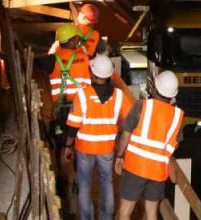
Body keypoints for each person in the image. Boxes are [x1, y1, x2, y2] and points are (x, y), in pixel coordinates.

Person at [64, 55, 133, 220]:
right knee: (106, 183)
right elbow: (131, 119)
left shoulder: (83, 94)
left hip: (84, 149)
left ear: (93, 74)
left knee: (84, 184)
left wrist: (68, 146)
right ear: (109, 75)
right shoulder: (119, 95)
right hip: (107, 149)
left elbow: (73, 125)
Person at [114, 71, 185, 220]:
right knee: (152, 213)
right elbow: (175, 144)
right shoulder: (177, 116)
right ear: (173, 94)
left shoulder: (141, 106)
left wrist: (119, 156)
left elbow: (125, 135)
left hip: (135, 167)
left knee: (125, 211)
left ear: (155, 87)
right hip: (158, 171)